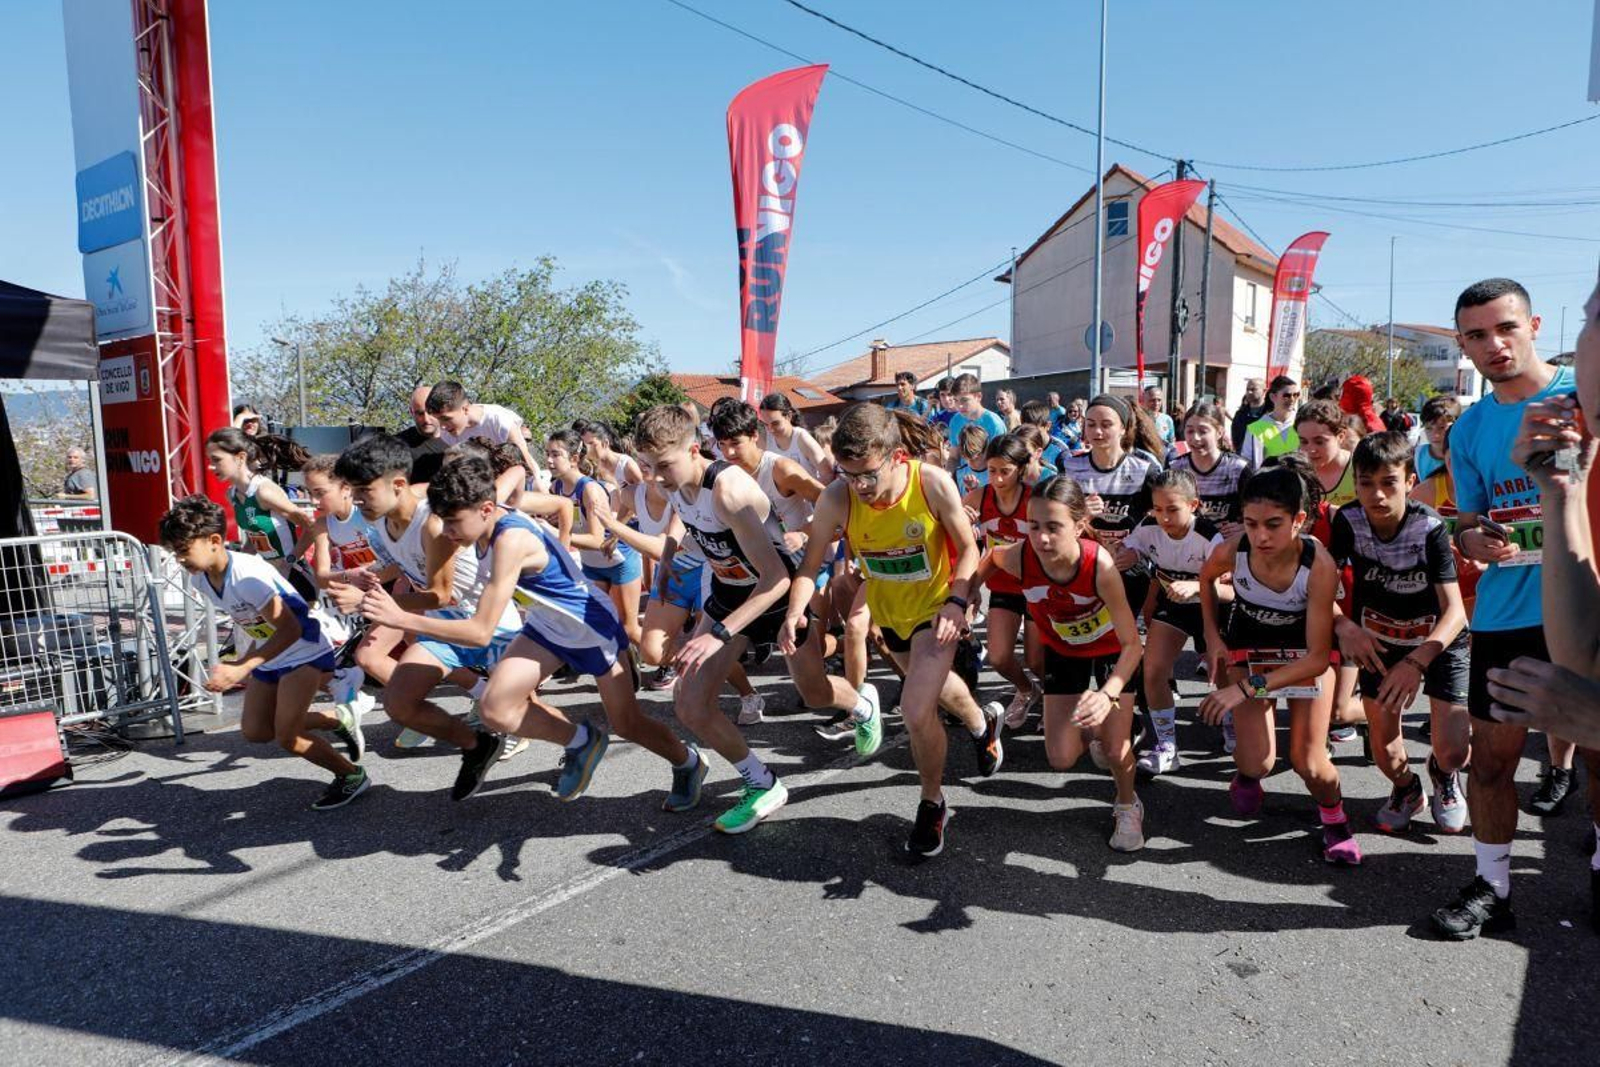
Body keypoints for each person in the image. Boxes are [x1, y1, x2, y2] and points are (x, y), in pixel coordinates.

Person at [358, 455, 694, 806]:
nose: (447, 532)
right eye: (442, 521)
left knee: (627, 724)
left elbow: (480, 632)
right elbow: (516, 471)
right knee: (494, 710)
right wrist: (511, 488)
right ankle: (581, 741)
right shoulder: (488, 505)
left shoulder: (510, 541)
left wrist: (399, 616)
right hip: (545, 626)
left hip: (589, 626)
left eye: (454, 522)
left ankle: (688, 762)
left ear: (486, 509)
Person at [1430, 277, 1600, 940]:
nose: (1493, 345)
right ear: (1462, 343)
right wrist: (1470, 539)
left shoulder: (1582, 397)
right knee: (1492, 761)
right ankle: (1493, 886)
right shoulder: (1470, 428)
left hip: (1586, 602)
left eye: (1505, 328)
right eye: (1476, 334)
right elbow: (1467, 522)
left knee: (1596, 755)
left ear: (1533, 325)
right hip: (1506, 616)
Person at [781, 403, 1001, 858]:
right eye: (847, 474)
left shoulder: (930, 483)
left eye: (866, 475)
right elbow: (810, 562)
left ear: (896, 456)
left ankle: (932, 802)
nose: (858, 487)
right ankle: (983, 724)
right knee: (937, 692)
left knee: (915, 707)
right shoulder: (838, 497)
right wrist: (795, 611)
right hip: (890, 612)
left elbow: (968, 548)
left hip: (938, 610)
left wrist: (959, 601)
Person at [631, 405, 805, 834]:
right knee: (689, 703)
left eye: (664, 466)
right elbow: (693, 529)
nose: (656, 477)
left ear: (694, 450)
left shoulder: (727, 489)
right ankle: (762, 783)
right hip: (730, 595)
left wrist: (718, 635)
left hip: (774, 598)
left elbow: (777, 578)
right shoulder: (675, 483)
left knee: (817, 693)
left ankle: (861, 704)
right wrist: (671, 556)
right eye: (649, 467)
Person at [330, 433, 522, 799]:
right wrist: (364, 576)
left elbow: (441, 594)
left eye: (363, 490)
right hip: (443, 628)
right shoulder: (383, 522)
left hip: (486, 623)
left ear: (397, 484)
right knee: (399, 702)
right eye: (352, 490)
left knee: (520, 715)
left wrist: (372, 603)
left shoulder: (431, 523)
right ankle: (477, 745)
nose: (356, 499)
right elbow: (395, 564)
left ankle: (580, 741)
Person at [1197, 462, 1360, 865]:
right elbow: (1205, 578)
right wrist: (1213, 637)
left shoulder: (1318, 565)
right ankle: (1249, 774)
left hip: (1302, 654)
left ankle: (1335, 820)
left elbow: (1319, 657)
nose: (1260, 536)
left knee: (1309, 762)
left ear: (1299, 520)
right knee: (1258, 761)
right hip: (1250, 646)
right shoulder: (1234, 549)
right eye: (1251, 524)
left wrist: (1246, 689)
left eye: (1273, 524)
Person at [160, 495, 368, 810]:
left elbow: (290, 629)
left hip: (304, 650)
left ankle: (351, 775)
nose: (179, 558)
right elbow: (254, 624)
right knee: (256, 731)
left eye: (184, 550)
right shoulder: (200, 578)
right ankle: (336, 718)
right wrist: (242, 661)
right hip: (270, 653)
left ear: (215, 541)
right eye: (174, 551)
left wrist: (242, 668)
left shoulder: (248, 576)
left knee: (288, 735)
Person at [979, 475, 1146, 851]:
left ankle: (1126, 804)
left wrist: (1107, 695)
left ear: (1080, 525)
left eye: (1054, 528)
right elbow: (990, 556)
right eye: (1034, 526)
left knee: (1118, 751)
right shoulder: (1022, 555)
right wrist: (962, 598)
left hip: (1110, 652)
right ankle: (1101, 729)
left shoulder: (1098, 566)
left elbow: (1133, 645)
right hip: (1065, 651)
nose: (1041, 539)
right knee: (1060, 757)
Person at [1330, 431, 1470, 835]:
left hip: (1436, 642)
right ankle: (1407, 790)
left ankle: (1444, 775)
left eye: (1389, 482)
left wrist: (1415, 661)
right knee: (1384, 751)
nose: (1377, 495)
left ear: (1410, 481)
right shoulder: (1348, 519)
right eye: (1366, 483)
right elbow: (1320, 588)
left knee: (1455, 751)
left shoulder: (1429, 527)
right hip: (1379, 641)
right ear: (1354, 483)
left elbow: (1455, 612)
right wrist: (1344, 625)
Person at [1119, 469, 1224, 774]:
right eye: (1158, 508)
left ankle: (1232, 727)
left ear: (1193, 506)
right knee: (1153, 670)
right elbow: (1132, 548)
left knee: (1223, 675)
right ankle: (1167, 746)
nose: (1163, 517)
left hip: (1211, 606)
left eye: (1172, 509)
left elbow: (1230, 586)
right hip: (1173, 605)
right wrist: (1125, 555)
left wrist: (1196, 585)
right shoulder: (1149, 525)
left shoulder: (1208, 536)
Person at [965, 434, 1040, 728]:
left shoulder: (1035, 499)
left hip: (1037, 588)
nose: (996, 478)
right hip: (1002, 587)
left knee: (1036, 661)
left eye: (1004, 471)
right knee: (998, 657)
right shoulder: (978, 498)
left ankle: (1056, 697)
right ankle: (1026, 690)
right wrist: (961, 519)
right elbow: (946, 529)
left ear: (1020, 469)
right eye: (991, 470)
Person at [547, 429, 643, 650]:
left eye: (555, 454)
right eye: (547, 454)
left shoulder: (589, 489)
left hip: (618, 561)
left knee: (629, 628)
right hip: (592, 565)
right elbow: (568, 526)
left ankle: (671, 662)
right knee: (600, 624)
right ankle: (625, 665)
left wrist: (556, 533)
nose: (549, 460)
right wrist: (554, 523)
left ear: (573, 459)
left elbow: (597, 540)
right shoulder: (556, 488)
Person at [206, 427, 315, 576]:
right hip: (270, 575)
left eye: (217, 460)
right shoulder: (232, 495)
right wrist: (241, 563)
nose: (210, 467)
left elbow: (311, 527)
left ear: (240, 458)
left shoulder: (263, 491)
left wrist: (290, 560)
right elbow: (255, 535)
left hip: (295, 574)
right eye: (210, 460)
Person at [425, 380, 544, 488]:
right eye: (438, 420)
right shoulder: (447, 433)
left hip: (520, 482)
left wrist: (540, 490)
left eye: (446, 419)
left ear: (465, 409)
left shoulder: (498, 420)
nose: (443, 426)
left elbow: (525, 458)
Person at [1170, 401, 1253, 541]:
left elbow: (1259, 508)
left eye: (1203, 431)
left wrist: (1246, 526)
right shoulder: (1176, 468)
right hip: (1190, 548)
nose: (1195, 438)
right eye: (1190, 431)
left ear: (1219, 432)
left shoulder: (1238, 468)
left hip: (1229, 548)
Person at [1239, 376, 1301, 469]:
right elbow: (1246, 463)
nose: (1292, 399)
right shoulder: (1258, 428)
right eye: (1287, 395)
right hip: (1267, 481)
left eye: (1296, 395)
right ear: (1273, 397)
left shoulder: (1301, 423)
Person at [396, 384, 447, 487]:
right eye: (420, 413)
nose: (426, 419)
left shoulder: (458, 439)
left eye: (431, 412)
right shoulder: (397, 445)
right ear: (411, 412)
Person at [945, 373, 1007, 451]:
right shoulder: (955, 420)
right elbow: (954, 457)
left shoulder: (994, 423)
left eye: (964, 400)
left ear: (978, 397)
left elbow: (999, 460)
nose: (960, 406)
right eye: (956, 400)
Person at [1413, 396, 1459, 484]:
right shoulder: (1418, 454)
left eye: (1442, 427)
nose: (1435, 435)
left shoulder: (1465, 456)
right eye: (1428, 428)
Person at [1230, 378, 1269, 453]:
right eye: (1247, 389)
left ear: (1264, 391)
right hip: (1243, 458)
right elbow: (1236, 439)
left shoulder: (1270, 414)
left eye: (1253, 389)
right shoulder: (1240, 414)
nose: (1249, 392)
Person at [952, 423, 990, 493]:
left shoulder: (994, 473)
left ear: (985, 450)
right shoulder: (958, 474)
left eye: (976, 458)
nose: (971, 462)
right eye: (966, 457)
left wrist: (974, 490)